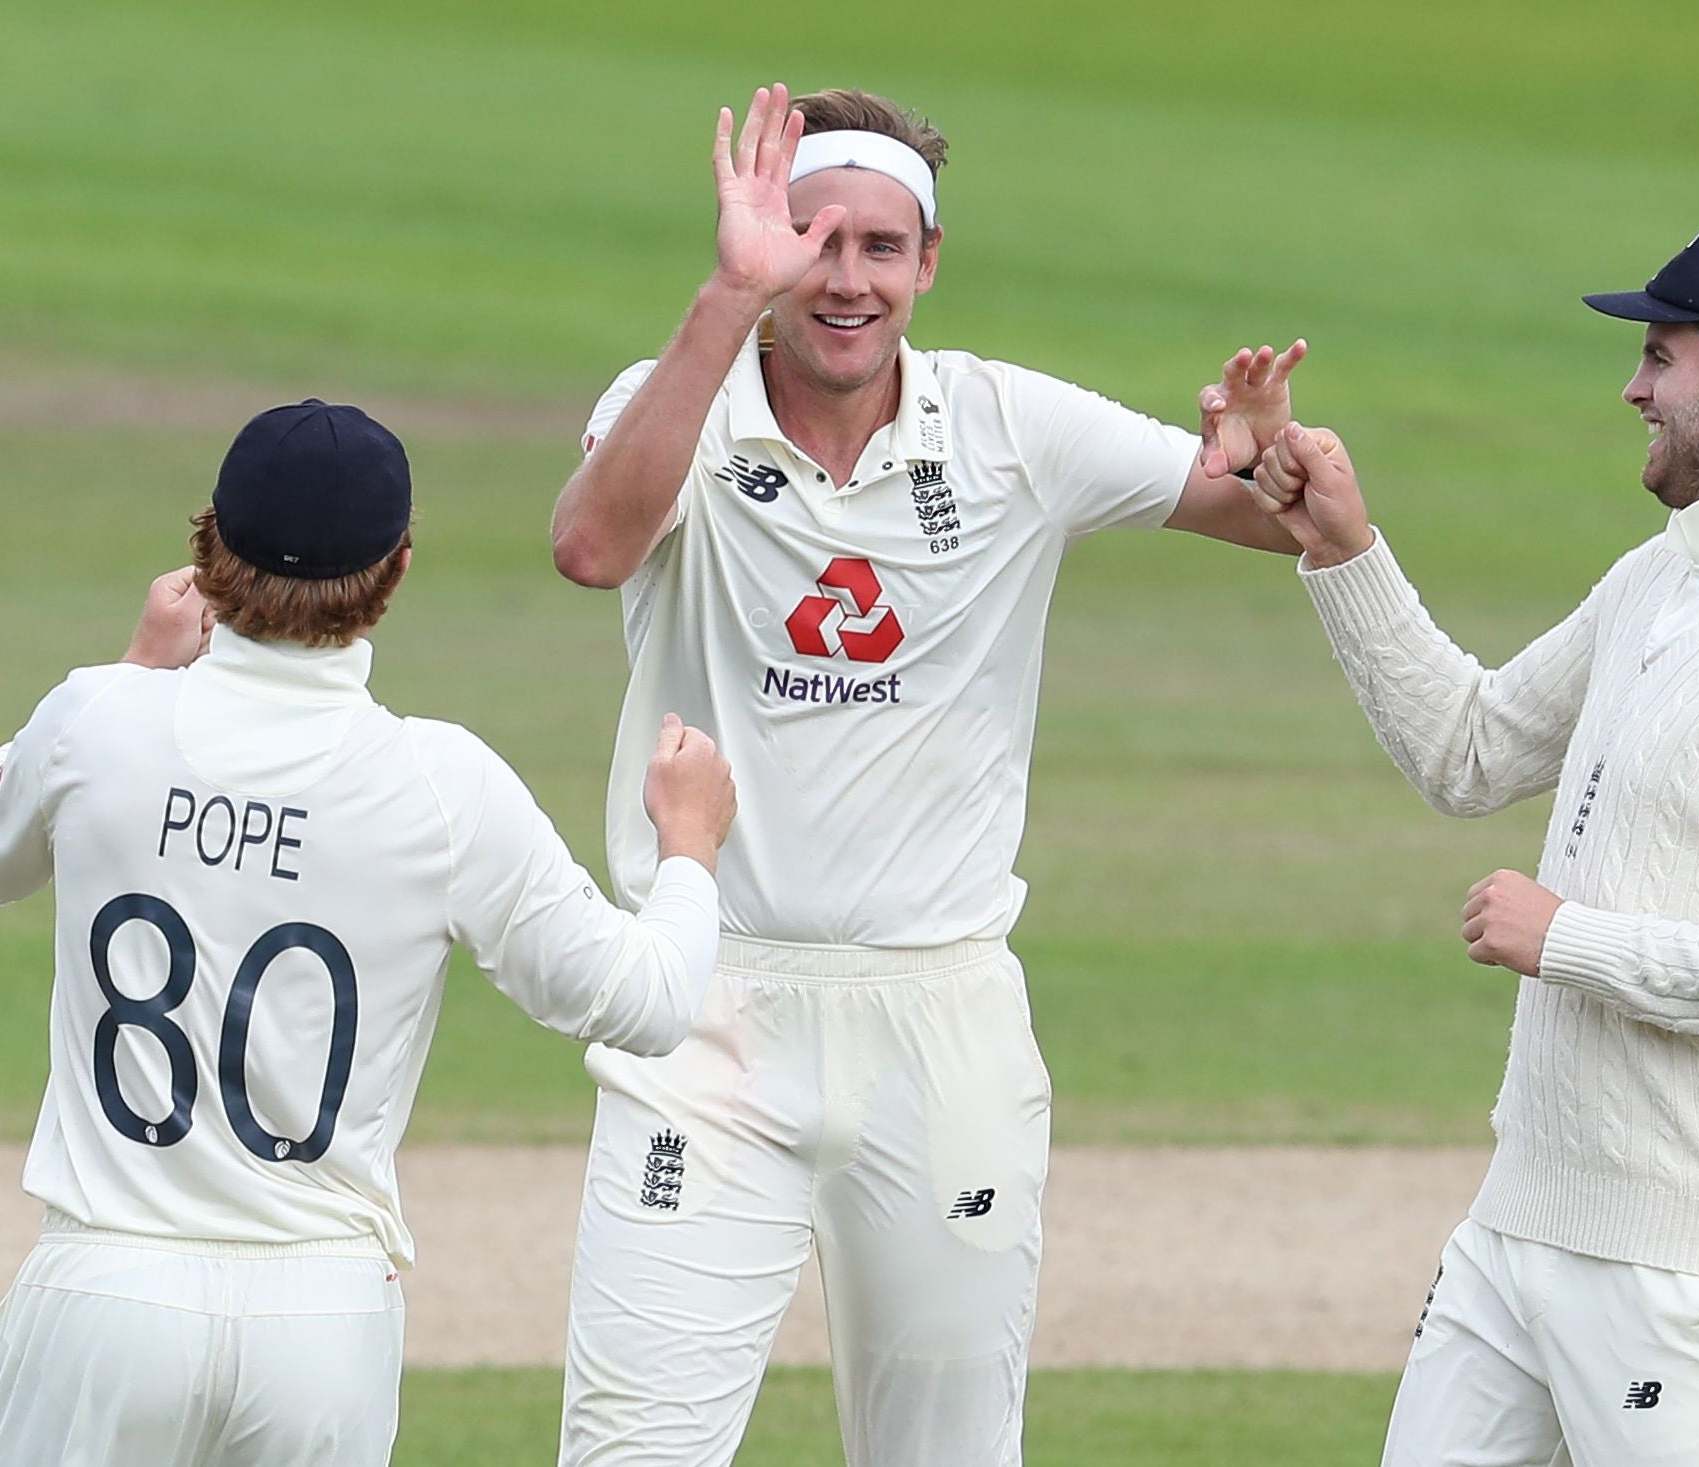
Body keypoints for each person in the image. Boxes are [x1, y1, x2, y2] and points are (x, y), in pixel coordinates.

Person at [548, 83, 1305, 1467]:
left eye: (879, 248)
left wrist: (1271, 450)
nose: (844, 280)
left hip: (940, 1015)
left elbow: (1282, 521)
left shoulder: (1009, 425)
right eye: (812, 241)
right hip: (710, 1010)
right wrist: (728, 297)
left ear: (928, 262)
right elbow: (593, 545)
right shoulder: (680, 406)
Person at [1244, 219, 1699, 1466]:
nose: (1633, 388)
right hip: (1520, 1233)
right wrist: (1344, 544)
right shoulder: (1656, 580)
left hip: (1698, 1274)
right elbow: (1468, 751)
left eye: (1663, 358)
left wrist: (1577, 942)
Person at [0, 400, 736, 1467]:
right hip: (322, 1320)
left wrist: (134, 672)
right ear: (394, 569)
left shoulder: (99, 720)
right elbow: (649, 1002)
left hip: (108, 1298)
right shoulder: (443, 786)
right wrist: (689, 847)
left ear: (208, 549)